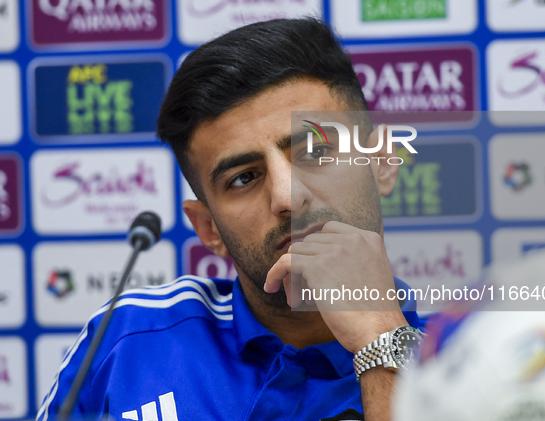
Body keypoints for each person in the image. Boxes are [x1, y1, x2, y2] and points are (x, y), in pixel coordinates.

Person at [37, 18, 424, 421]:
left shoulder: (468, 361)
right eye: (244, 178)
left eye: (314, 152)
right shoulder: (126, 342)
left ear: (381, 164)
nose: (287, 197)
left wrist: (382, 339)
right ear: (208, 229)